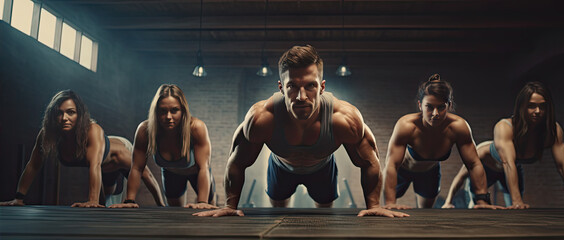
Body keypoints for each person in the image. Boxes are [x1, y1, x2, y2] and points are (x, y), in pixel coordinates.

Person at [194, 45, 407, 217]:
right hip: (280, 166)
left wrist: (373, 206)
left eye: (310, 86)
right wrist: (230, 206)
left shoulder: (344, 119)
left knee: (325, 216)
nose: (301, 96)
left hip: (323, 168)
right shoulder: (261, 118)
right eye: (292, 86)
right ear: (281, 87)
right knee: (277, 214)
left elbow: (370, 161)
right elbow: (237, 161)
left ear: (322, 87)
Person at [442, 81, 564, 209]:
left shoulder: (552, 131)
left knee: (517, 208)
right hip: (488, 169)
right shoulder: (505, 128)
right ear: (522, 106)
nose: (537, 111)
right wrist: (448, 201)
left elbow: (563, 164)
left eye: (542, 106)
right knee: (480, 205)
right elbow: (463, 176)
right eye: (531, 106)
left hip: (512, 168)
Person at [0, 90, 164, 207]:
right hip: (102, 165)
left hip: (117, 153)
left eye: (70, 112)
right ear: (52, 115)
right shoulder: (48, 134)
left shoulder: (93, 130)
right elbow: (33, 165)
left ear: (80, 115)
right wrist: (18, 198)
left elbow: (95, 165)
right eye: (59, 113)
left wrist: (162, 208)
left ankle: (162, 203)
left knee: (137, 179)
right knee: (104, 203)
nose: (64, 118)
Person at [382, 74, 499, 209]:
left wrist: (481, 200)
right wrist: (390, 203)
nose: (435, 113)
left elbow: (473, 164)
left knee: (426, 214)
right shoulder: (407, 125)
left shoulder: (458, 127)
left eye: (441, 107)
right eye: (429, 107)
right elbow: (391, 165)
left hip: (429, 172)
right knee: (390, 208)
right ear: (420, 105)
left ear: (448, 105)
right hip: (402, 170)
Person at [109, 84, 216, 209]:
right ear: (156, 111)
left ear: (183, 110)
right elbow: (137, 168)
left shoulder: (196, 128)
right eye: (163, 111)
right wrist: (129, 201)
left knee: (208, 211)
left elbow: (203, 167)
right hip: (171, 175)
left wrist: (202, 202)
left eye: (174, 110)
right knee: (175, 216)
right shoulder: (145, 130)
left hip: (198, 173)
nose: (168, 117)